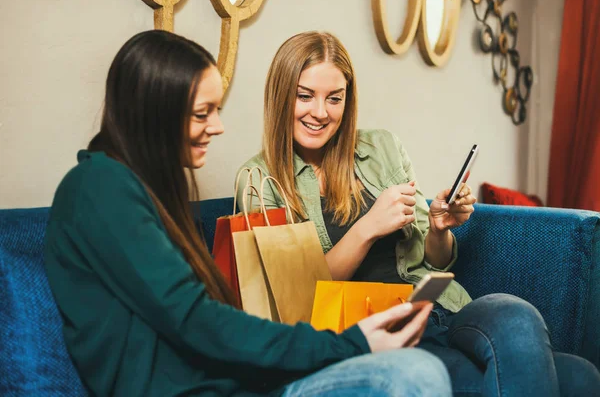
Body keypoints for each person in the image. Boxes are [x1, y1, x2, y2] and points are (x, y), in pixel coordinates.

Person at [43, 30, 452, 397]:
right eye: (203, 113)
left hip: (245, 381)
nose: (218, 127)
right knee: (415, 373)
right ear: (154, 113)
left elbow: (210, 318)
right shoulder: (99, 189)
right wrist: (352, 344)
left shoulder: (144, 190)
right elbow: (199, 322)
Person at [237, 31, 600, 397]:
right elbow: (295, 301)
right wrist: (367, 229)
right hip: (382, 333)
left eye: (335, 98)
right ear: (282, 95)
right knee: (578, 380)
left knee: (518, 316)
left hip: (441, 306)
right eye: (305, 96)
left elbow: (435, 261)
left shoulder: (382, 148)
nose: (321, 112)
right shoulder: (261, 181)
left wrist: (440, 229)